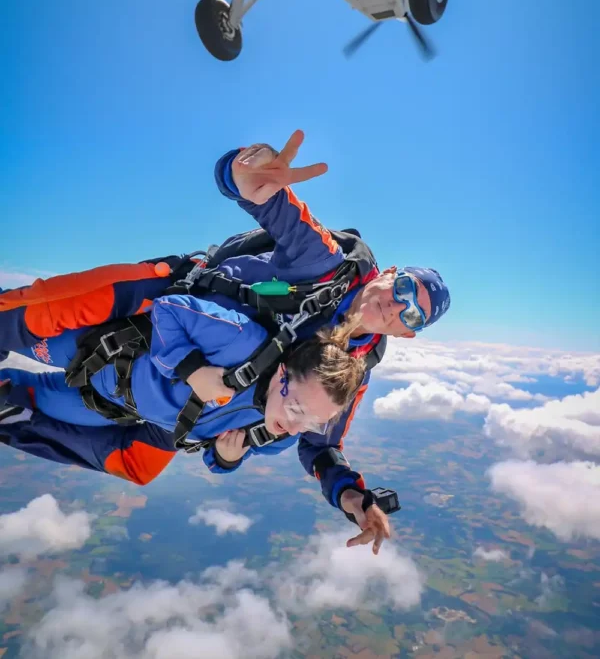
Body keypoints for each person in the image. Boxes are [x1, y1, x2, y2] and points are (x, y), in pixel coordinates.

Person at [1, 130, 450, 551]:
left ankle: (13, 408)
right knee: (31, 312)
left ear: (407, 332)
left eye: (411, 313)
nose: (397, 305)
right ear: (390, 272)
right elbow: (272, 204)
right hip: (155, 309)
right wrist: (247, 171)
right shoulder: (327, 266)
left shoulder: (353, 369)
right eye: (404, 288)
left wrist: (351, 498)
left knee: (135, 463)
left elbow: (318, 443)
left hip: (173, 399)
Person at [0, 292, 392, 551]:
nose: (294, 427)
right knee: (7, 328)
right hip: (95, 348)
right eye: (296, 410)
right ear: (282, 375)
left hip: (106, 405)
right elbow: (169, 308)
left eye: (311, 423)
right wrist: (192, 371)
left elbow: (209, 456)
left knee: (13, 401)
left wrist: (224, 459)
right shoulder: (244, 344)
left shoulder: (274, 437)